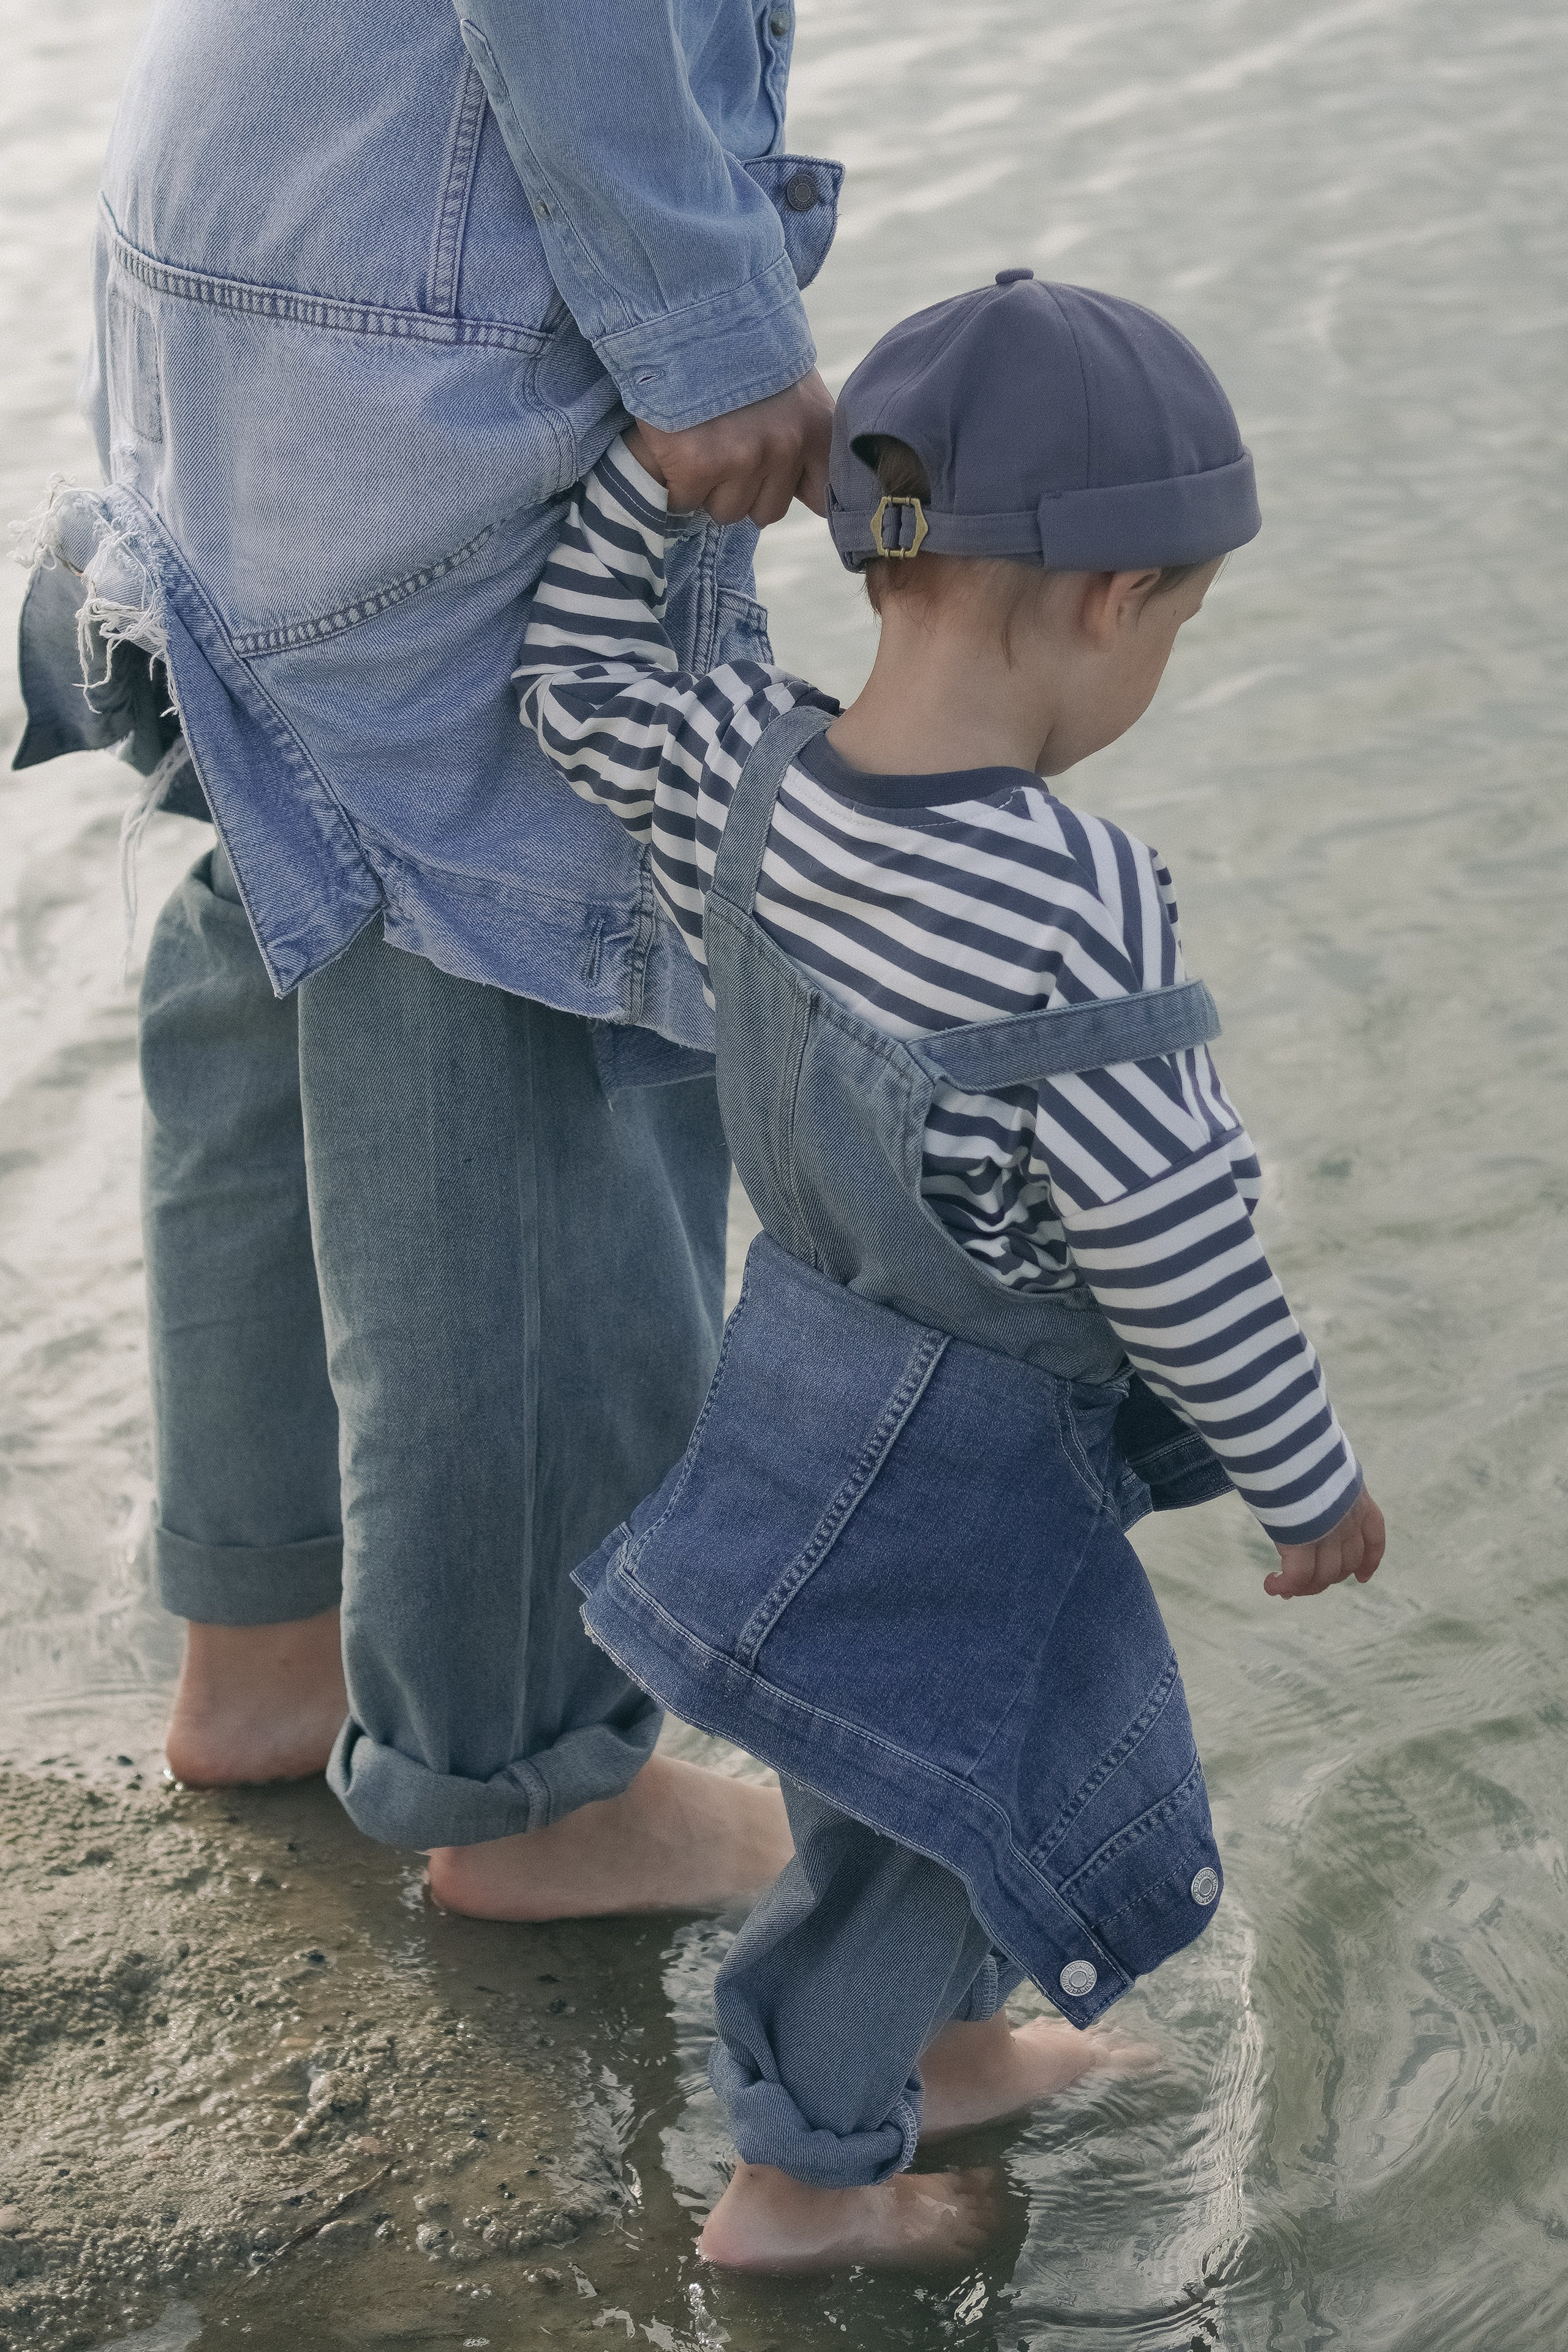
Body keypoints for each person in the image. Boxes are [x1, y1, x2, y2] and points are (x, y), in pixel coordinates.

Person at [511, 271, 1387, 2267]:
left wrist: (664, 489)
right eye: (1178, 619)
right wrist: (1306, 1474)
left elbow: (573, 678)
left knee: (879, 1741)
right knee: (933, 1791)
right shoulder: (1080, 902)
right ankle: (803, 2179)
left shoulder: (745, 777)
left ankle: (949, 2051)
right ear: (1109, 601)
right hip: (984, 1435)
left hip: (809, 1361)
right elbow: (1176, 1248)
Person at [12, 0, 846, 1915]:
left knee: (294, 907)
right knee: (527, 1011)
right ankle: (529, 1785)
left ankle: (268, 1659)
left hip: (250, 223)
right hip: (422, 282)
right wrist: (704, 321)